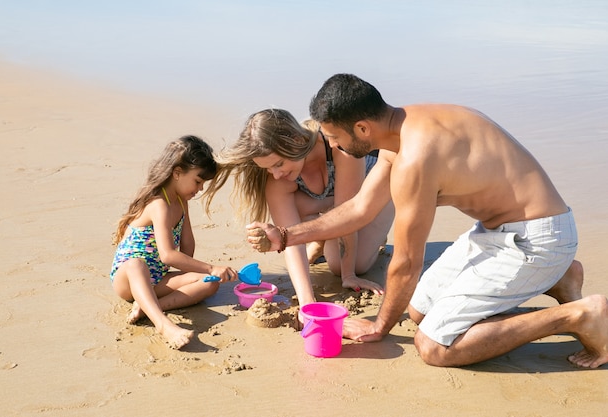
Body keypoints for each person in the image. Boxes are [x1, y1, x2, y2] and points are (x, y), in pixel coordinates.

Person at [247, 73, 608, 369]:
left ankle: (578, 315)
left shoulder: (415, 159)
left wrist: (379, 327)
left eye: (334, 137)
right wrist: (283, 236)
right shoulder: (402, 127)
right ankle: (560, 278)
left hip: (536, 240)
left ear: (361, 128)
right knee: (419, 311)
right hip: (497, 232)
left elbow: (406, 262)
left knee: (435, 346)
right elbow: (359, 209)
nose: (332, 145)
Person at [203, 108, 394, 312]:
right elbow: (289, 238)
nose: (276, 174)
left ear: (296, 140)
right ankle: (323, 233)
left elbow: (350, 212)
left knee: (352, 266)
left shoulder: (338, 147)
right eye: (268, 169)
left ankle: (357, 238)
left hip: (375, 197)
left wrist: (349, 275)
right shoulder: (277, 180)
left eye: (278, 164)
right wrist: (307, 302)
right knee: (313, 216)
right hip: (335, 205)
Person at [110, 135, 238, 349]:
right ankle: (163, 324)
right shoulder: (158, 204)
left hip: (157, 279)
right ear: (177, 172)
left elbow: (187, 247)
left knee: (210, 282)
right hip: (128, 280)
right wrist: (212, 267)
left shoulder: (180, 201)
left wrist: (206, 273)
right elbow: (168, 255)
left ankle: (149, 306)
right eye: (198, 181)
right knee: (137, 264)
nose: (200, 189)